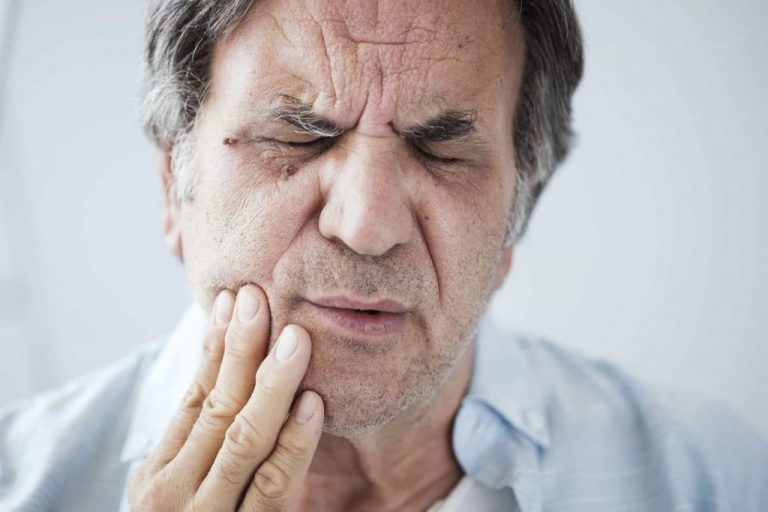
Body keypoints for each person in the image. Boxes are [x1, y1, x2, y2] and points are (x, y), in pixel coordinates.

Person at [1, 0, 766, 510]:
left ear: (517, 216)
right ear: (175, 188)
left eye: (440, 152)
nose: (367, 226)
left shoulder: (713, 478)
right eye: (296, 137)